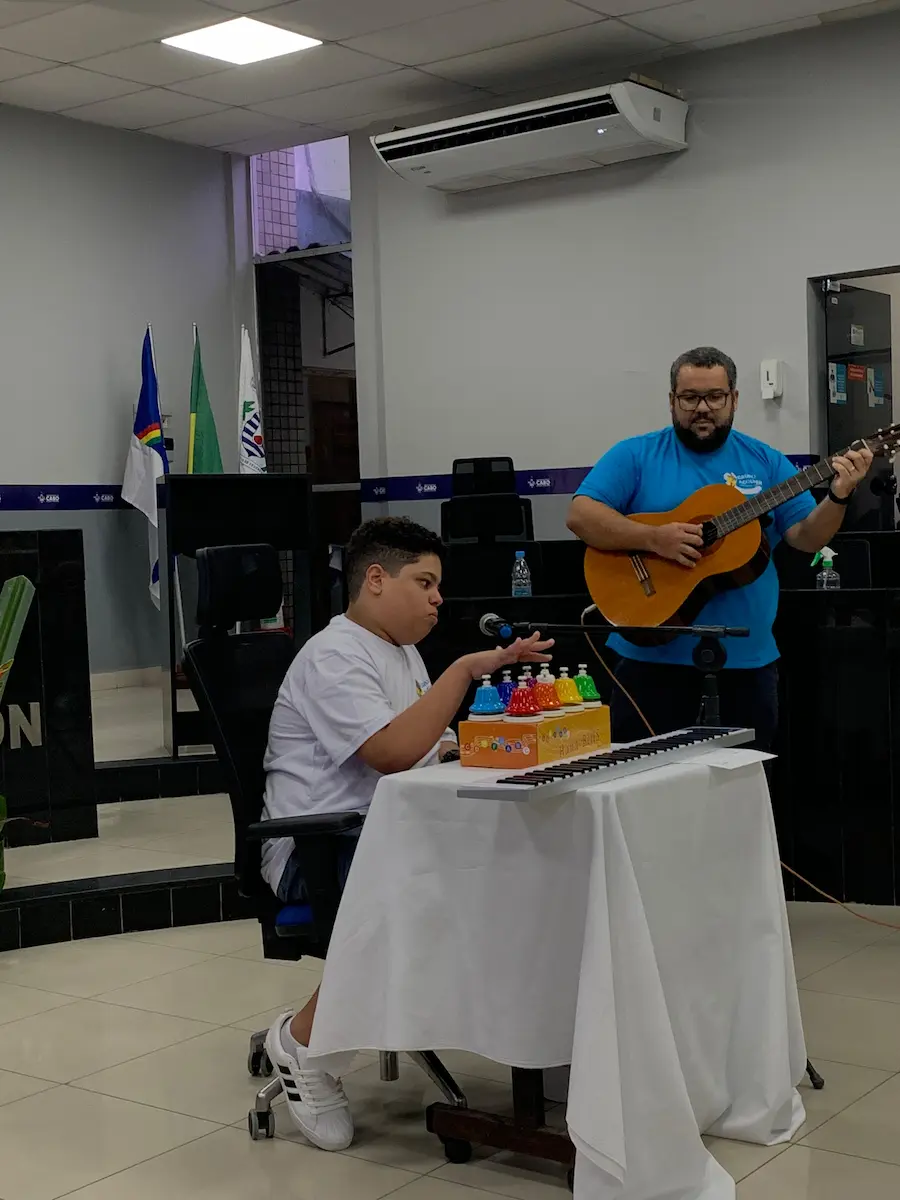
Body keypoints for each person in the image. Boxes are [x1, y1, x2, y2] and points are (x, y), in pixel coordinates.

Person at [261, 516, 553, 1151]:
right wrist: (465, 672)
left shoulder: (399, 652)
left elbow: (427, 747)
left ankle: (539, 1034)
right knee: (454, 888)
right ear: (374, 579)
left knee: (526, 863)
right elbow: (394, 751)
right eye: (424, 582)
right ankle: (302, 1045)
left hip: (384, 836)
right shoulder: (335, 655)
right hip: (315, 847)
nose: (437, 599)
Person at [566, 346, 872, 748]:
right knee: (640, 787)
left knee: (743, 789)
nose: (702, 408)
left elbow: (807, 537)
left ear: (735, 398)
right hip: (650, 657)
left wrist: (839, 495)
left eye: (714, 396)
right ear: (672, 400)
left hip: (747, 659)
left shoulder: (765, 461)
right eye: (689, 398)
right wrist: (654, 538)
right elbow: (580, 515)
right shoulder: (636, 455)